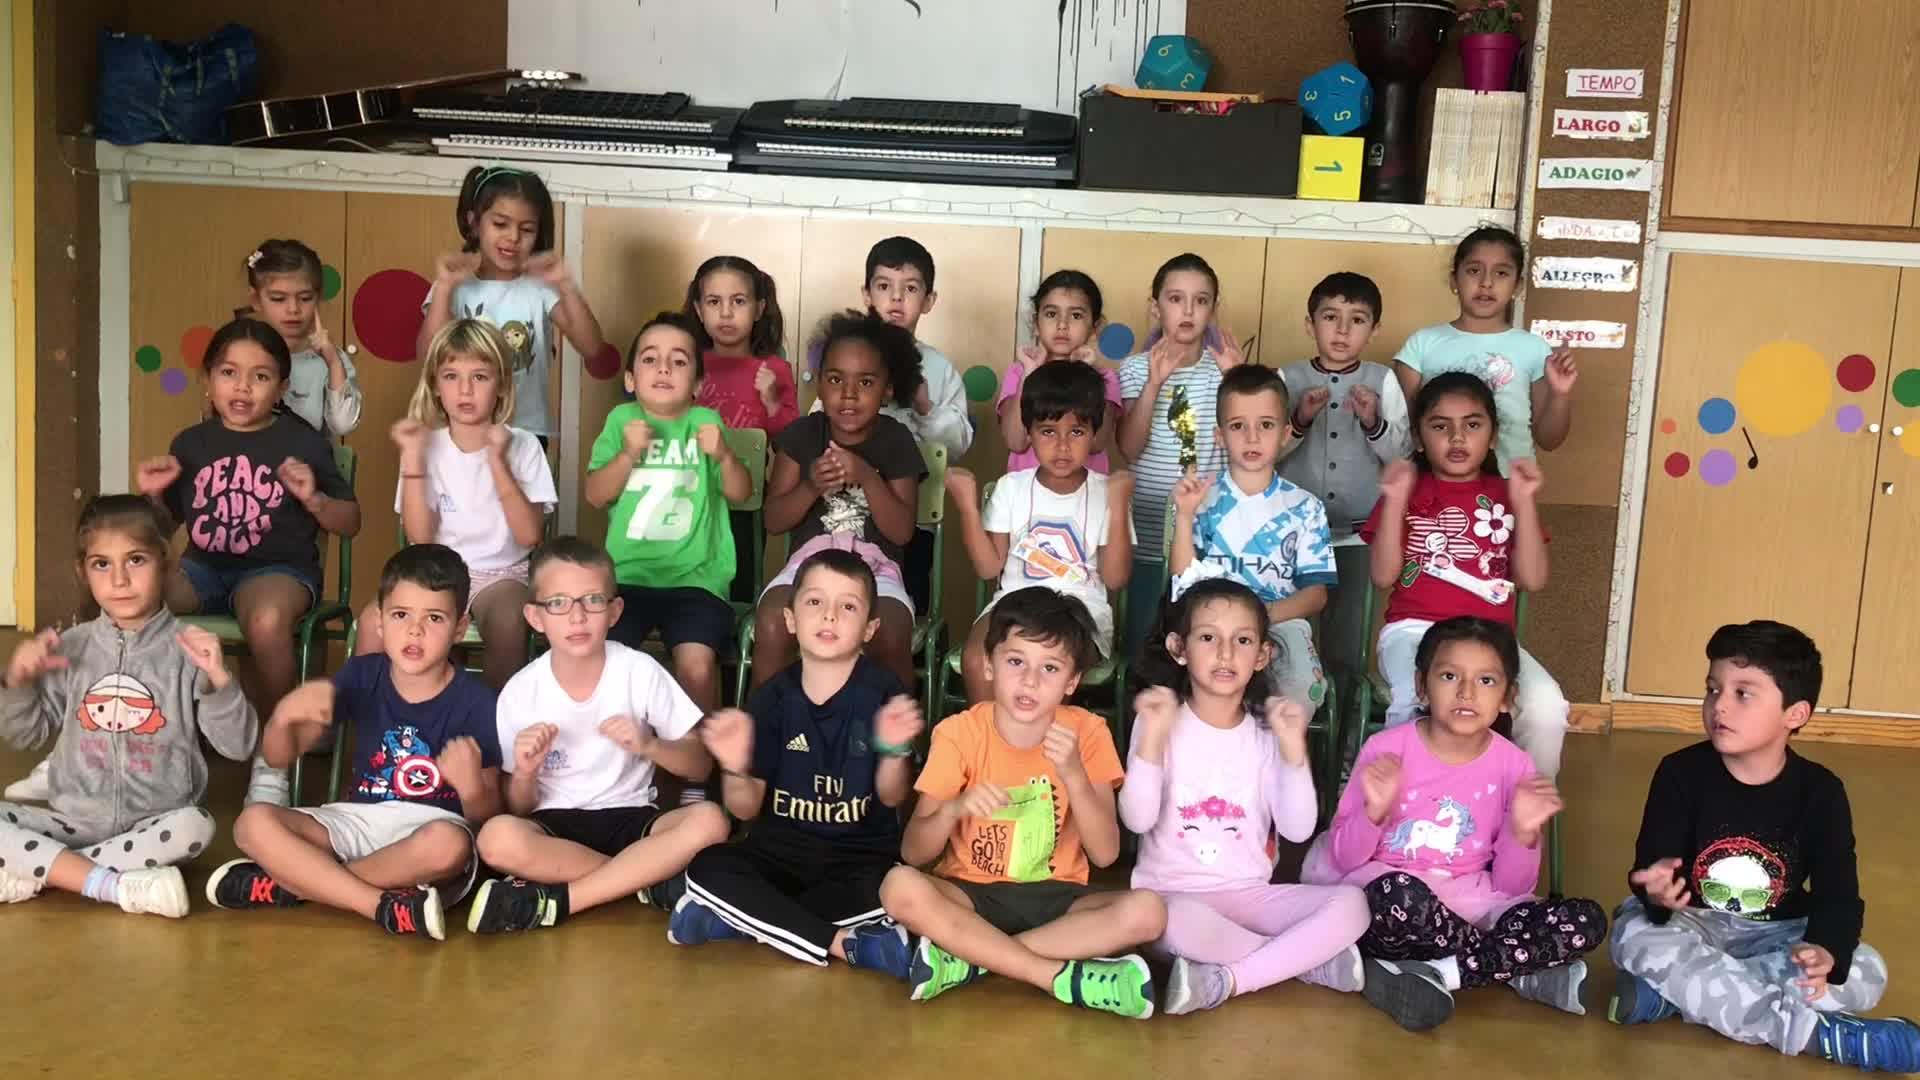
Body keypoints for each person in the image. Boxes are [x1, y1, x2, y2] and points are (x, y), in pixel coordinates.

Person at [1608, 621, 1920, 1072]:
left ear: (1795, 714)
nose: (1719, 705)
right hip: (1694, 923)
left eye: (1743, 693)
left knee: (1865, 969)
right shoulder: (1679, 773)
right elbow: (1654, 867)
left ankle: (1678, 999)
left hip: (1778, 934)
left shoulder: (1821, 792)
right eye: (1713, 689)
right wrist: (1655, 893)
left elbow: (1839, 894)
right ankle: (1817, 1037)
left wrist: (1826, 951)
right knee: (1635, 935)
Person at [1304, 617, 1606, 1032]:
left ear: (1507, 698)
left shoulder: (1514, 765)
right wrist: (1374, 811)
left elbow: (1512, 888)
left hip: (1471, 903)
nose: (1466, 692)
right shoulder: (1385, 749)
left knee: (1587, 919)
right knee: (1398, 897)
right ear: (1422, 686)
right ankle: (1514, 967)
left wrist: (1522, 831)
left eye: (1486, 680)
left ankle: (1443, 973)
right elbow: (1343, 857)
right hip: (1393, 898)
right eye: (1449, 676)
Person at [878, 587, 1166, 1020]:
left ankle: (970, 961)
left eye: (1050, 668)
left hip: (1057, 899)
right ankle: (1053, 976)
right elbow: (913, 852)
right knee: (898, 886)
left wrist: (1073, 774)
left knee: (1149, 912)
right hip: (969, 895)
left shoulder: (1088, 733)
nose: (1030, 681)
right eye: (1016, 662)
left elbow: (1106, 854)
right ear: (988, 664)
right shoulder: (959, 733)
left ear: (1072, 681)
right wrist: (955, 808)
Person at [207, 545, 503, 941]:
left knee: (449, 846)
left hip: (430, 829)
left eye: (434, 618)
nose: (415, 631)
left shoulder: (478, 701)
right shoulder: (364, 674)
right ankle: (377, 904)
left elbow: (486, 818)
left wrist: (471, 789)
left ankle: (295, 887)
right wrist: (283, 718)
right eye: (401, 615)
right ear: (379, 620)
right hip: (357, 820)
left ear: (459, 627)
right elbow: (278, 756)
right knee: (252, 823)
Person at [133, 317, 361, 808]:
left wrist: (315, 499)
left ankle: (272, 754)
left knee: (266, 620)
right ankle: (145, 735)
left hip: (278, 571)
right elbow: (161, 529)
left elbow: (350, 522)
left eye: (260, 376)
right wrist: (150, 496)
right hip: (203, 568)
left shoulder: (303, 442)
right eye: (228, 373)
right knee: (134, 593)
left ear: (281, 386)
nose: (242, 387)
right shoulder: (190, 444)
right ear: (207, 379)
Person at [1120, 577, 1372, 1015]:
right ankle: (1306, 961)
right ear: (1179, 648)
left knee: (1352, 904)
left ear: (1262, 655)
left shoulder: (1268, 729)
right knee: (1175, 924)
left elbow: (1297, 829)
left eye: (1242, 640)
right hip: (1173, 897)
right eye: (1207, 638)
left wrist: (1293, 750)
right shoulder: (1159, 718)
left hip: (1249, 896)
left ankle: (1228, 980)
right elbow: (1137, 820)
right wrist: (1152, 741)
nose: (1225, 654)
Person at [667, 549, 920, 977]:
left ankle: (743, 922)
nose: (829, 616)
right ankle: (845, 944)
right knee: (706, 867)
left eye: (848, 607)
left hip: (857, 864)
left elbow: (893, 797)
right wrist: (734, 766)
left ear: (870, 628)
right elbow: (745, 810)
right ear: (790, 619)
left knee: (897, 888)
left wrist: (895, 751)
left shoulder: (884, 693)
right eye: (815, 602)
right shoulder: (771, 699)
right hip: (778, 859)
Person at [0, 495, 255, 916]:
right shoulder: (72, 647)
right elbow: (26, 735)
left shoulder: (190, 649)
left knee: (197, 826)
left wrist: (219, 680)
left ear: (166, 564)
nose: (119, 580)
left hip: (154, 826)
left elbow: (239, 746)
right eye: (102, 564)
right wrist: (19, 683)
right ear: (83, 572)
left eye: (136, 560)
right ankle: (112, 883)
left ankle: (49, 871)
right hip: (71, 822)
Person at [466, 537, 730, 935]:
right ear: (535, 617)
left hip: (633, 819)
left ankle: (565, 899)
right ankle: (644, 880)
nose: (577, 617)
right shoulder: (521, 690)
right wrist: (525, 772)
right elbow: (519, 806)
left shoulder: (639, 670)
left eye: (592, 600)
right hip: (554, 827)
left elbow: (700, 765)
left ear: (614, 611)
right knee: (496, 838)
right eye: (558, 603)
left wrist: (651, 745)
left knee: (711, 821)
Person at [1360, 371, 1570, 778]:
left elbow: (1532, 579)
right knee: (1415, 700)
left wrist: (1525, 503)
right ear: (1419, 438)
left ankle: (1525, 808)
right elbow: (1384, 577)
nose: (1457, 438)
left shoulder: (1509, 493)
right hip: (1414, 632)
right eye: (1441, 427)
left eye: (1472, 425)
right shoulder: (1406, 490)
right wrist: (1395, 500)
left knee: (1547, 708)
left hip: (1491, 640)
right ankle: (1396, 804)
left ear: (1492, 436)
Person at [356, 319, 555, 689]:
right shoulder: (425, 446)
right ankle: (375, 717)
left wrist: (498, 463)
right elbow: (420, 538)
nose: (465, 390)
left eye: (479, 377)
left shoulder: (524, 445)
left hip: (503, 575)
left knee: (509, 621)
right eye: (451, 376)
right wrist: (413, 461)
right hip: (436, 572)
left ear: (502, 385)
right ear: (435, 385)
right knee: (372, 623)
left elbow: (530, 536)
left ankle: (491, 721)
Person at [585, 312, 751, 712]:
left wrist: (724, 455)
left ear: (697, 384)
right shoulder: (621, 421)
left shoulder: (706, 422)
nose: (663, 368)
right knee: (606, 660)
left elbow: (741, 493)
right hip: (627, 578)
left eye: (678, 361)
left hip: (698, 580)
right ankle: (617, 746)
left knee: (697, 666)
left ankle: (697, 750)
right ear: (630, 379)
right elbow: (595, 494)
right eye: (650, 359)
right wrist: (627, 454)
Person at [752, 311, 926, 693]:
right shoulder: (801, 435)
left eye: (865, 382)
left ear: (888, 389)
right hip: (806, 568)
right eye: (835, 379)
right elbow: (774, 521)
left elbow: (901, 532)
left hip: (878, 572)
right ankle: (765, 726)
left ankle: (899, 730)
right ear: (819, 384)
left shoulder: (896, 440)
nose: (848, 394)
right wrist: (811, 486)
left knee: (890, 631)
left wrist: (867, 476)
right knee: (772, 623)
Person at [946, 360, 1133, 705]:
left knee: (1050, 663)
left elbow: (1115, 578)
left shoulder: (1106, 492)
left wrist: (1119, 506)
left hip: (1080, 610)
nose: (1062, 446)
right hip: (1014, 602)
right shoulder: (1011, 487)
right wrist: (969, 508)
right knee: (977, 660)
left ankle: (1040, 741)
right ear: (1029, 432)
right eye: (1048, 431)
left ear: (1094, 434)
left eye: (1076, 432)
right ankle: (989, 740)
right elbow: (988, 568)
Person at [1170, 364, 1336, 710]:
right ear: (1219, 435)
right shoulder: (1201, 498)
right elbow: (1183, 581)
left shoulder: (1305, 506)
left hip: (1278, 622)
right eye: (1237, 426)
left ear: (1286, 433)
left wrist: (1261, 616)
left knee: (1301, 686)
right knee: (1183, 683)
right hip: (1212, 625)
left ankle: (1280, 746)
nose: (1252, 437)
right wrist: (1184, 515)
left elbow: (1316, 594)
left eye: (1266, 425)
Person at [1277, 271, 1410, 685]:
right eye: (1330, 317)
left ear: (1374, 330)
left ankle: (1346, 719)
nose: (1342, 330)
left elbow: (1402, 455)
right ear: (1310, 324)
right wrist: (1299, 419)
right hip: (1291, 534)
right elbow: (1265, 451)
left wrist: (1373, 422)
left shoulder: (1383, 380)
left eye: (1357, 320)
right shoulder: (1287, 378)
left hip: (1356, 536)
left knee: (1347, 642)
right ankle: (1295, 717)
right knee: (1289, 637)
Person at [1116, 252, 1249, 654]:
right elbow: (1128, 447)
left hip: (1210, 535)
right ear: (1155, 307)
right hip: (1148, 529)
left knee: (1203, 641)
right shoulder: (1134, 369)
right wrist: (1154, 385)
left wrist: (1236, 380)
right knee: (1144, 640)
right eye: (1176, 299)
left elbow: (1250, 447)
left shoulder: (1225, 370)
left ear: (1213, 308)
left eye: (1200, 300)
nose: (1188, 311)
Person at [418, 164, 608, 442]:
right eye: (500, 224)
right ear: (474, 223)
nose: (513, 238)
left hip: (527, 432)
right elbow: (427, 357)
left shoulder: (541, 287)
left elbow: (592, 347)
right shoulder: (453, 285)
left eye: (527, 229)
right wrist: (445, 287)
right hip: (462, 430)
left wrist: (566, 285)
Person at [1392, 227, 1577, 476]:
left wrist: (1560, 394)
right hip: (1439, 487)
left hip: (1512, 486)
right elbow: (1404, 433)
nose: (1486, 283)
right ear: (1454, 280)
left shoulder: (1534, 349)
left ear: (1518, 286)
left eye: (1501, 273)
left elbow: (1549, 440)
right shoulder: (1422, 344)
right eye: (1473, 271)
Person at [857, 236, 969, 613]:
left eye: (910, 288)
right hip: (845, 517)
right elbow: (818, 427)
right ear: (866, 294)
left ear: (929, 300)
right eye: (883, 286)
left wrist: (925, 407)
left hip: (912, 523)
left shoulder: (937, 367)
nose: (896, 298)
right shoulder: (848, 355)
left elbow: (957, 445)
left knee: (905, 609)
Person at [684, 255, 797, 604]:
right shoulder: (686, 364)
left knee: (741, 583)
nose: (726, 313)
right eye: (713, 302)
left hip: (748, 502)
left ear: (759, 308)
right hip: (689, 495)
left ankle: (736, 634)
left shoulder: (774, 369)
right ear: (699, 310)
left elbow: (790, 443)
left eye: (738, 301)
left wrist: (772, 400)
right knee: (688, 579)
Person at [998, 269, 1123, 473]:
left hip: (1086, 491)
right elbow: (1015, 442)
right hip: (1028, 490)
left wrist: (1084, 374)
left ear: (1095, 327)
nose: (1062, 325)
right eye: (1051, 314)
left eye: (1076, 315)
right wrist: (1029, 373)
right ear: (1036, 324)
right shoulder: (1019, 373)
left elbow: (1096, 443)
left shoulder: (1105, 379)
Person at [244, 238, 361, 438]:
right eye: (278, 299)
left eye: (305, 298)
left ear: (318, 297)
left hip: (310, 457)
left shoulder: (331, 360)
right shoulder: (240, 354)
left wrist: (333, 361)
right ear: (256, 299)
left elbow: (343, 425)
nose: (293, 309)